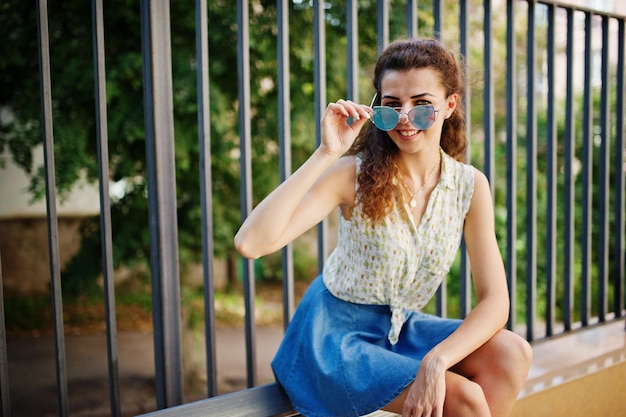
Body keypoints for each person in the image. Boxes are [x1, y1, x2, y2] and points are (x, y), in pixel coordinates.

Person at [234, 37, 532, 417]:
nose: (406, 119)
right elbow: (250, 244)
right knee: (465, 400)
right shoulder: (353, 174)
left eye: (422, 106)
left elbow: (495, 300)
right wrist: (327, 153)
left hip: (399, 329)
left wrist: (437, 360)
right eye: (392, 107)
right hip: (334, 336)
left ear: (449, 105)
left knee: (512, 353)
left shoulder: (469, 186)